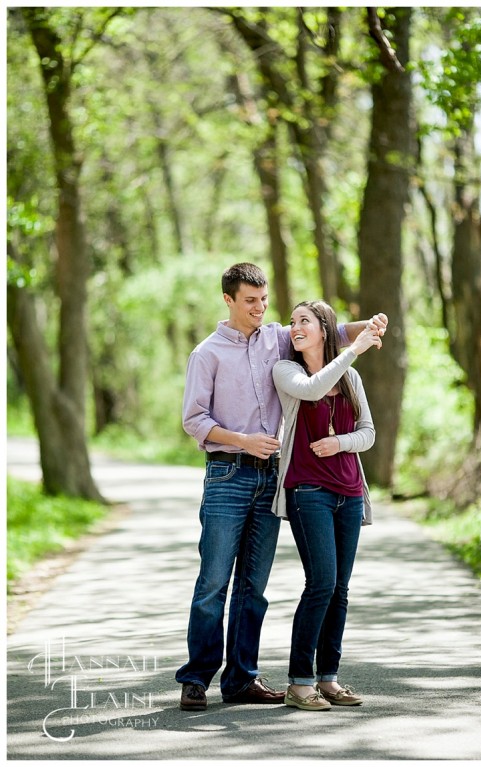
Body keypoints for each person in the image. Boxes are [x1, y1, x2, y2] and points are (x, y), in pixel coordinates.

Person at [177, 263, 387, 711]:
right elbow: (193, 421)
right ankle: (196, 678)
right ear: (229, 300)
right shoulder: (206, 354)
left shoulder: (275, 336)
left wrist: (366, 326)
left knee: (254, 586)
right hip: (227, 473)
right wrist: (243, 440)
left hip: (271, 477)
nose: (260, 308)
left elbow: (329, 332)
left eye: (264, 299)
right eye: (250, 301)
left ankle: (240, 679)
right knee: (214, 582)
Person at [271, 300, 380, 711]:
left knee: (340, 590)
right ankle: (299, 683)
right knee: (321, 584)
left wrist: (340, 443)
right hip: (308, 492)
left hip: (349, 493)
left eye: (304, 321)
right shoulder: (287, 371)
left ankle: (328, 678)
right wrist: (354, 348)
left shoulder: (351, 378)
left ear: (325, 330)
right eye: (293, 322)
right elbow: (312, 388)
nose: (295, 328)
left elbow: (368, 433)